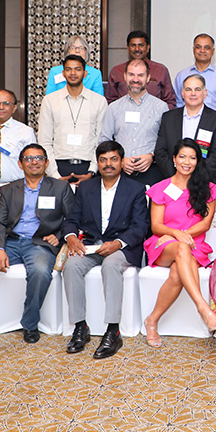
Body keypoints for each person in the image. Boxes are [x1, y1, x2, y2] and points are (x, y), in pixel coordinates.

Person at [0, 144, 74, 350]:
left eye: (39, 158)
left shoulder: (60, 188)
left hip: (40, 243)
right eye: (28, 159)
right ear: (20, 164)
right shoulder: (9, 190)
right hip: (10, 242)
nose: (34, 162)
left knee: (40, 271)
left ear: (46, 163)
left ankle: (30, 324)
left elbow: (72, 219)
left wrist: (58, 236)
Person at [61, 141, 150, 359]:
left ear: (121, 162)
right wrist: (71, 237)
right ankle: (80, 327)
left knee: (110, 266)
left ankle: (113, 330)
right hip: (92, 244)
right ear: (98, 163)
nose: (108, 164)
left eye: (113, 159)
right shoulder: (86, 188)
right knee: (71, 265)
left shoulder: (136, 189)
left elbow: (141, 226)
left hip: (122, 247)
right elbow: (71, 219)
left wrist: (118, 243)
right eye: (103, 160)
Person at [141, 138, 216, 348]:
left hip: (194, 244)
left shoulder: (208, 188)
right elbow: (156, 226)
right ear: (174, 159)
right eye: (182, 157)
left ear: (198, 161)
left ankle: (152, 320)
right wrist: (175, 234)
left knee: (178, 271)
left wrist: (180, 235)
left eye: (192, 158)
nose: (187, 162)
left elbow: (205, 224)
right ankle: (203, 308)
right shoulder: (161, 188)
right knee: (181, 247)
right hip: (163, 244)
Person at [37, 54, 108, 184]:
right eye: (68, 69)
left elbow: (101, 140)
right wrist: (54, 174)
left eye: (77, 69)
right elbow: (44, 140)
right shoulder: (50, 101)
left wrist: (92, 172)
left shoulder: (99, 101)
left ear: (85, 73)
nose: (73, 73)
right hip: (59, 166)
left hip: (88, 166)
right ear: (63, 73)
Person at [98, 59, 167, 186]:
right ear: (125, 77)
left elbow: (165, 142)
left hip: (152, 172)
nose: (135, 79)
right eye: (131, 75)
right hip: (121, 173)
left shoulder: (161, 107)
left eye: (140, 75)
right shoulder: (114, 108)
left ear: (148, 78)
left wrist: (152, 156)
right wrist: (119, 159)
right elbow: (104, 140)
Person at [154, 73, 216, 186]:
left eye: (197, 89)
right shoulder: (168, 118)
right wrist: (177, 177)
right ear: (182, 93)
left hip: (204, 183)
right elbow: (160, 152)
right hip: (173, 182)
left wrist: (194, 179)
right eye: (188, 89)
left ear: (205, 93)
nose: (193, 93)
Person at [105, 30, 176, 109]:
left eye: (141, 45)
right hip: (124, 115)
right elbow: (110, 101)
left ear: (148, 48)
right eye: (133, 45)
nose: (137, 49)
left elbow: (170, 101)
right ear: (128, 48)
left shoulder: (161, 70)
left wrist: (159, 114)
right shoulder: (116, 71)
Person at [174, 33, 216, 119]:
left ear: (213, 51)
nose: (202, 50)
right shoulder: (181, 76)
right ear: (193, 50)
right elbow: (179, 105)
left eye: (207, 48)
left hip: (214, 124)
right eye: (198, 47)